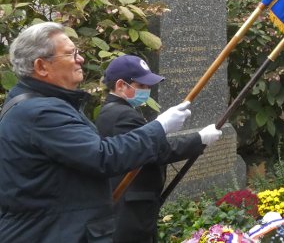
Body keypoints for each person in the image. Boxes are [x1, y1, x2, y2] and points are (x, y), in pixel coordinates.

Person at [0, 22, 192, 242]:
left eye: (77, 52)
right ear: (42, 66)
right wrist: (160, 126)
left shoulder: (41, 104)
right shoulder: (40, 112)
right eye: (70, 54)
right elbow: (102, 156)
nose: (80, 59)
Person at [95, 55, 222, 242]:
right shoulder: (121, 115)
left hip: (136, 203)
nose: (147, 90)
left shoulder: (119, 111)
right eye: (142, 86)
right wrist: (199, 139)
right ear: (121, 85)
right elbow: (157, 151)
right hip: (131, 208)